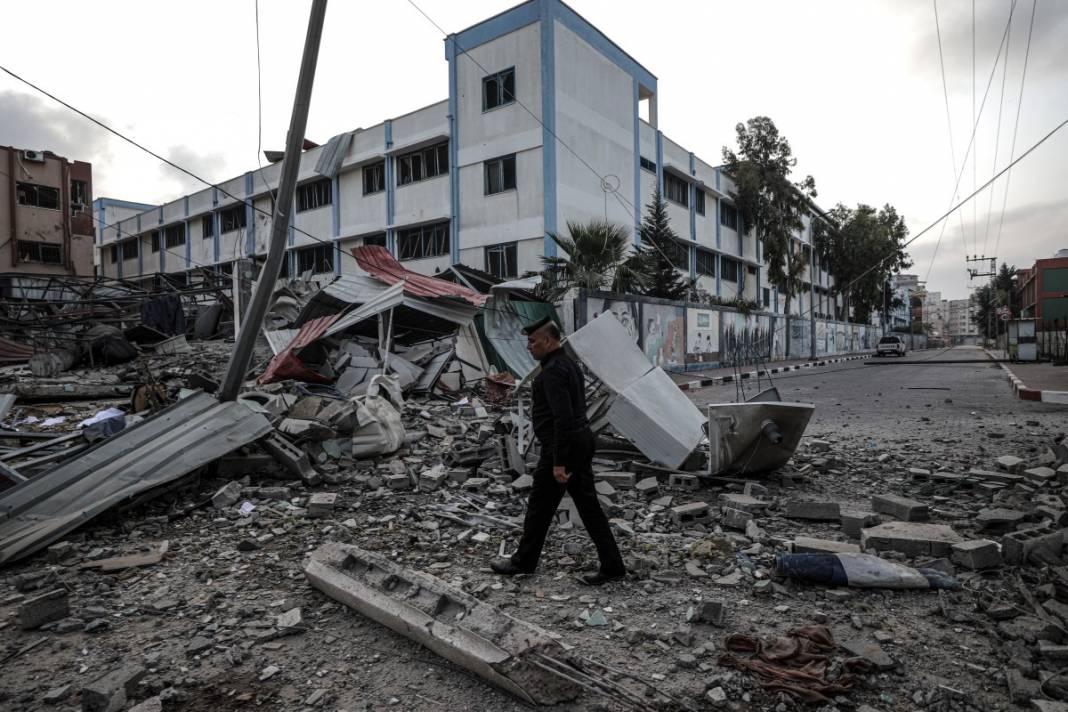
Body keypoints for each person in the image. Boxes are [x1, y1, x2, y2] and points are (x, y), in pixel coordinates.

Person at [491, 317, 626, 586]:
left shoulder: (552, 371)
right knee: (589, 508)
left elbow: (562, 418)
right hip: (580, 442)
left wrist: (558, 462)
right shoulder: (568, 365)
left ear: (548, 341)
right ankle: (612, 566)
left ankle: (523, 562)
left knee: (540, 507)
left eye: (532, 341)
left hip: (562, 448)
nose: (528, 347)